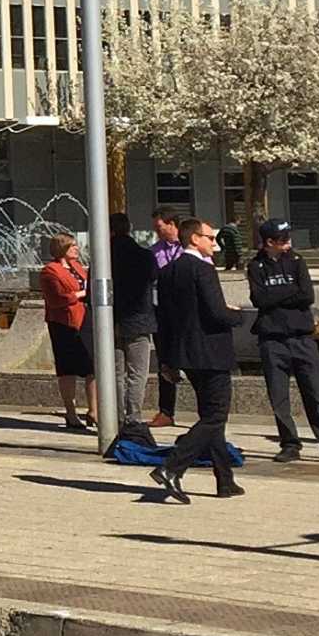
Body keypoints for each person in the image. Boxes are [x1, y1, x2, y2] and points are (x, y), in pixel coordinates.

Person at [149, 217, 243, 501]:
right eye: (210, 238)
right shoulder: (202, 269)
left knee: (210, 418)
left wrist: (167, 359)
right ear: (194, 239)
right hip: (211, 352)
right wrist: (236, 315)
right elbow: (216, 312)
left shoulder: (168, 272)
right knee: (215, 416)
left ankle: (225, 480)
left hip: (185, 353)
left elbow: (162, 320)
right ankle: (171, 466)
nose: (214, 243)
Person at [247, 219, 319, 464]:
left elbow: (307, 295)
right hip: (272, 340)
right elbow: (259, 298)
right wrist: (289, 291)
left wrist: (278, 296)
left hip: (302, 338)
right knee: (279, 397)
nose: (288, 243)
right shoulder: (256, 266)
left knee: (315, 395)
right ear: (270, 242)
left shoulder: (298, 261)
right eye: (282, 239)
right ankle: (290, 443)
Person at [107, 211, 161, 444]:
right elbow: (153, 278)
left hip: (112, 319)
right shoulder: (144, 255)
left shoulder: (104, 256)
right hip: (139, 319)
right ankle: (133, 417)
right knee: (137, 373)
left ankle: (117, 418)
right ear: (129, 229)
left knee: (116, 373)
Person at [39, 231, 93, 432]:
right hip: (63, 324)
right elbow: (56, 299)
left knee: (92, 367)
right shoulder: (50, 271)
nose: (77, 248)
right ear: (62, 249)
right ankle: (71, 412)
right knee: (67, 368)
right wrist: (80, 294)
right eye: (72, 246)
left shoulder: (78, 268)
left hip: (85, 320)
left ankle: (93, 410)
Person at [147, 208, 187, 425]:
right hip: (162, 311)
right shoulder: (154, 252)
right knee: (165, 362)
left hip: (186, 311)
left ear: (172, 224)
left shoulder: (189, 248)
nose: (157, 232)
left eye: (159, 227)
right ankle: (166, 411)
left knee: (192, 359)